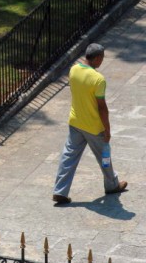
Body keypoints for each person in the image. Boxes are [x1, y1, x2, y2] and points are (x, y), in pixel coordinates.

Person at [53, 43, 128, 204]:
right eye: (102, 58)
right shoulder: (98, 79)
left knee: (69, 156)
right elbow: (102, 108)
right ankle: (112, 185)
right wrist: (107, 130)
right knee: (104, 157)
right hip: (94, 127)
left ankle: (60, 190)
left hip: (75, 121)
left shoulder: (73, 70)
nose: (102, 61)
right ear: (97, 58)